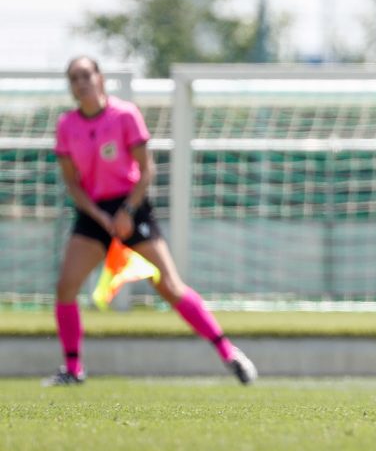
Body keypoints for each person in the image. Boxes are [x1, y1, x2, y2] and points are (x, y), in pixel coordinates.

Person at [44, 56, 258, 386]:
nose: (81, 82)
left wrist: (127, 212)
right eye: (74, 77)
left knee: (170, 287)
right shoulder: (66, 125)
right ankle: (73, 370)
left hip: (132, 207)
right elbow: (72, 182)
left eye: (86, 74)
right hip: (94, 213)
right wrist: (101, 216)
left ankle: (229, 354)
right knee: (65, 287)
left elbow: (147, 171)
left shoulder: (125, 115)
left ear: (99, 78)